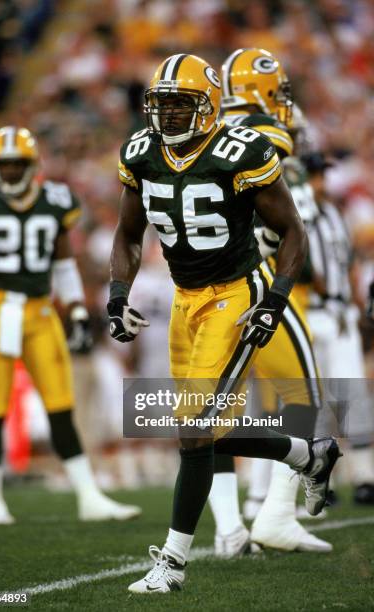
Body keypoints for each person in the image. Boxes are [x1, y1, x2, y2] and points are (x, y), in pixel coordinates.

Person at [107, 53, 341, 593]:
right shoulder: (140, 153)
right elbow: (126, 233)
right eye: (160, 105)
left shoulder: (239, 152)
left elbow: (294, 232)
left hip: (237, 294)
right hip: (185, 298)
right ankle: (307, 452)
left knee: (192, 433)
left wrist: (275, 300)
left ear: (208, 108)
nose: (166, 116)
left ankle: (172, 563)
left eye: (179, 105)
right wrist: (117, 294)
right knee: (194, 429)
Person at [0, 126, 141, 525]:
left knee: (60, 406)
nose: (11, 171)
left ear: (32, 165)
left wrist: (77, 310)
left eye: (18, 164)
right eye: (4, 164)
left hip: (41, 310)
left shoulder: (55, 200)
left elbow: (64, 264)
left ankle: (88, 496)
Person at [207, 47, 330, 555]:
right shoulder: (266, 133)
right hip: (255, 279)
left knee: (211, 414)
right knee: (303, 397)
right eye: (277, 90)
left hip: (202, 290)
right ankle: (277, 515)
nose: (282, 101)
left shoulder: (203, 128)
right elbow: (276, 222)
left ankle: (228, 530)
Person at [303, 151, 374, 504]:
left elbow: (347, 264)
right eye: (315, 174)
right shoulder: (296, 212)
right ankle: (320, 481)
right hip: (313, 315)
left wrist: (359, 308)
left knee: (352, 397)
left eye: (322, 174)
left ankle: (364, 477)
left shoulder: (333, 213)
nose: (321, 181)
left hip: (341, 314)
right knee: (318, 404)